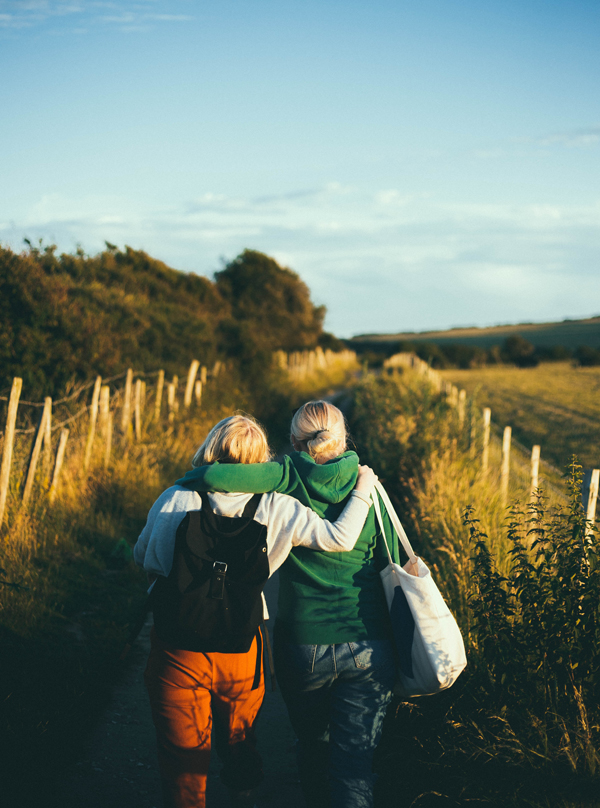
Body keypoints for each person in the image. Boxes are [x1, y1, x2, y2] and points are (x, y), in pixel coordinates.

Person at [134, 414, 378, 808]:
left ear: (210, 448)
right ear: (263, 459)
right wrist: (364, 487)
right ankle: (243, 785)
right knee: (238, 733)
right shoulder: (279, 506)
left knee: (181, 756)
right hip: (242, 643)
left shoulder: (176, 497)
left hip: (177, 645)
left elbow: (145, 558)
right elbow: (338, 539)